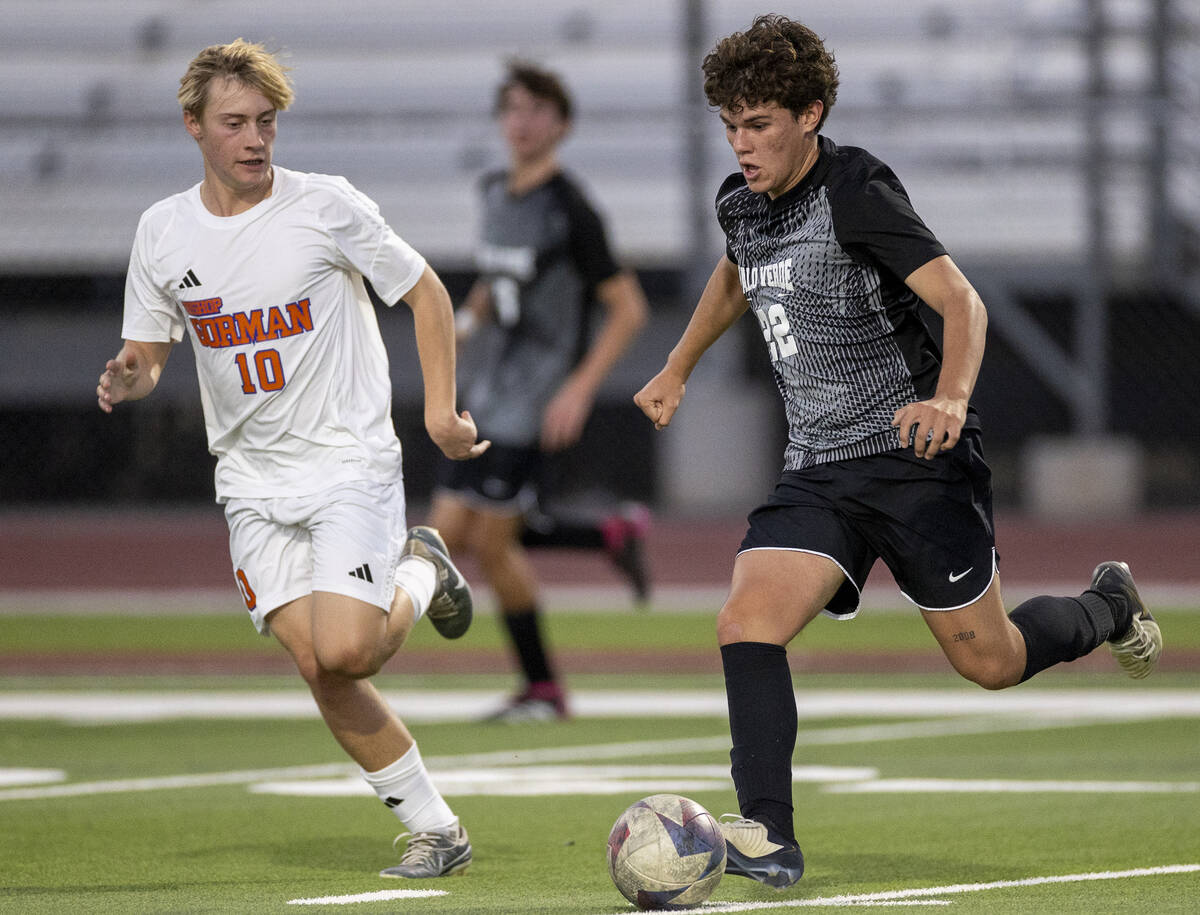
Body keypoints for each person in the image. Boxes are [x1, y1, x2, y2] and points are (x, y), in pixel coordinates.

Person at [634, 14, 1163, 891]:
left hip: (913, 461)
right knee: (745, 622)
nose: (741, 143)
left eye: (759, 123)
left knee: (988, 662)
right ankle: (768, 831)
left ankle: (1106, 606)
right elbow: (735, 268)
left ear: (812, 112)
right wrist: (676, 364)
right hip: (817, 469)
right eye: (729, 125)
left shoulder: (858, 190)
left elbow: (963, 302)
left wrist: (949, 398)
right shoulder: (740, 199)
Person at [95, 39, 490, 879]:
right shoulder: (162, 230)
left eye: (266, 122)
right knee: (318, 663)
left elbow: (425, 289)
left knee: (347, 651)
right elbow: (151, 349)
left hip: (347, 459)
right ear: (193, 126)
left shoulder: (324, 206)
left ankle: (419, 566)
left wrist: (441, 408)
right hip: (248, 479)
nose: (254, 140)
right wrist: (133, 373)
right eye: (234, 123)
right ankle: (439, 830)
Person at [427, 61, 651, 722]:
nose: (522, 122)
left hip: (531, 399)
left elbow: (629, 306)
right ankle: (608, 534)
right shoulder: (493, 190)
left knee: (478, 542)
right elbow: (493, 286)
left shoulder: (570, 208)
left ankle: (544, 690)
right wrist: (459, 330)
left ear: (562, 124)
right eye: (513, 109)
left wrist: (578, 388)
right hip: (485, 387)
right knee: (460, 536)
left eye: (536, 110)